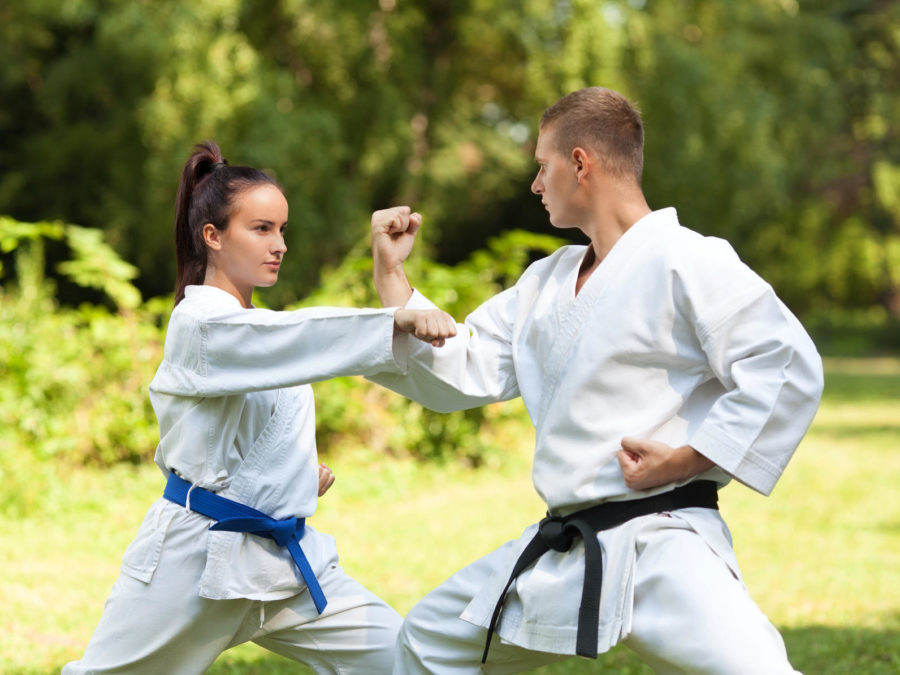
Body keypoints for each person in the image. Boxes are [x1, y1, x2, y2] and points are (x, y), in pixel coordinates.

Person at [368, 87, 824, 674]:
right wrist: (391, 272)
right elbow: (463, 363)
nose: (535, 185)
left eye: (541, 165)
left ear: (579, 162)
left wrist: (687, 458)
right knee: (431, 640)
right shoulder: (546, 282)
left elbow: (784, 364)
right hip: (569, 550)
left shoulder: (687, 259)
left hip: (663, 542)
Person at [63, 141, 457, 675]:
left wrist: (291, 477)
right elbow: (295, 338)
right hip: (195, 560)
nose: (279, 245)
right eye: (261, 228)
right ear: (213, 237)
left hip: (280, 562)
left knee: (404, 661)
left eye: (282, 230)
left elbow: (257, 412)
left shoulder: (257, 329)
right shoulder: (201, 325)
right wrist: (391, 321)